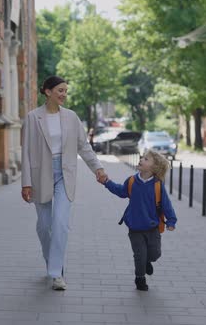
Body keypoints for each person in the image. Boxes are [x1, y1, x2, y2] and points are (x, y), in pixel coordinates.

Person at [21, 75, 107, 291]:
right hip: (40, 175)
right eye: (60, 90)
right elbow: (26, 153)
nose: (64, 95)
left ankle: (57, 272)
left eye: (66, 91)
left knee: (60, 224)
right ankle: (51, 261)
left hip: (64, 175)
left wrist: (98, 167)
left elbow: (83, 146)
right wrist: (26, 182)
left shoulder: (71, 117)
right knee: (44, 227)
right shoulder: (33, 118)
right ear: (48, 92)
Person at [98, 150, 177, 291]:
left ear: (154, 167)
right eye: (142, 157)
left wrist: (171, 220)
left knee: (155, 254)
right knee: (139, 254)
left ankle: (148, 261)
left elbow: (166, 204)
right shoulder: (132, 181)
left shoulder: (157, 185)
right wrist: (107, 182)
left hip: (152, 227)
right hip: (135, 227)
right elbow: (121, 191)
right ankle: (140, 278)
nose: (141, 160)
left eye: (146, 159)